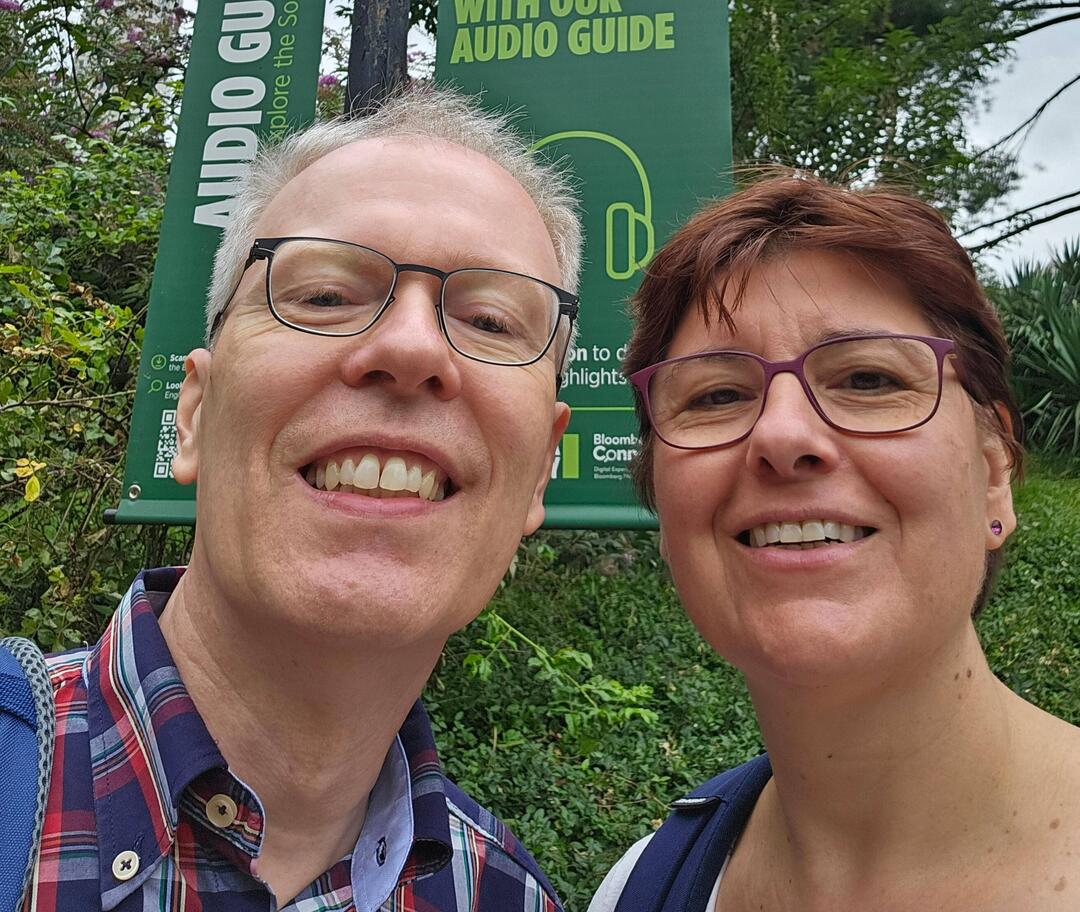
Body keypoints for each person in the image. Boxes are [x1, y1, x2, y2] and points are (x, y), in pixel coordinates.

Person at [34, 86, 580, 912]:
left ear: (540, 469)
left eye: (492, 321)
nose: (411, 347)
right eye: (325, 296)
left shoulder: (508, 896)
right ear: (194, 416)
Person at [590, 173, 1080, 912]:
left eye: (868, 379)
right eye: (716, 395)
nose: (782, 434)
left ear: (992, 476)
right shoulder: (639, 889)